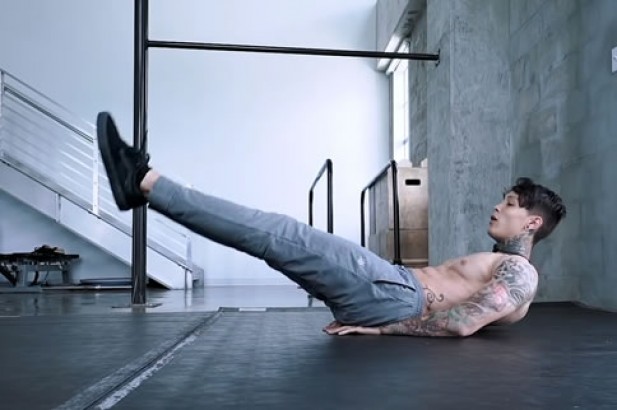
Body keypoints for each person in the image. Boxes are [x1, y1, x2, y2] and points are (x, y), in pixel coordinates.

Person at [96, 112, 566, 338]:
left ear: (532, 221)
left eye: (509, 205)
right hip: (390, 292)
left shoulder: (519, 273)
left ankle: (143, 182)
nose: (496, 208)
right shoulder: (506, 266)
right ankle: (145, 187)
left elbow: (464, 322)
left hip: (394, 296)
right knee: (274, 238)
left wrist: (385, 328)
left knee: (278, 234)